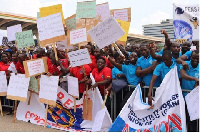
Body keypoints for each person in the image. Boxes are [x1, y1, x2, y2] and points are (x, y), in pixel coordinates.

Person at [180, 50, 199, 132]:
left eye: (198, 58)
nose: (196, 60)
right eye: (194, 58)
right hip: (184, 97)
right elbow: (183, 75)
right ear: (190, 57)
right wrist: (195, 79)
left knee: (193, 121)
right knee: (184, 119)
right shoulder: (185, 64)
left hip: (195, 100)